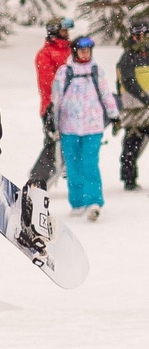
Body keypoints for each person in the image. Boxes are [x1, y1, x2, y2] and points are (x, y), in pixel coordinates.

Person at [50, 32, 117, 215]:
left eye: (88, 50)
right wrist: (53, 124)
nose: (85, 53)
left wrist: (114, 115)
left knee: (90, 163)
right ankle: (77, 202)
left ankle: (94, 201)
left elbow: (106, 94)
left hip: (93, 127)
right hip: (69, 127)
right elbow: (56, 100)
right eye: (82, 50)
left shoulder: (96, 71)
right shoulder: (64, 72)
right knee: (73, 166)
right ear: (75, 52)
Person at [29, 18, 73, 189]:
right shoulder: (45, 54)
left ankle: (68, 169)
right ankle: (37, 180)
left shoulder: (71, 50)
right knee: (52, 144)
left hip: (74, 106)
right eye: (63, 30)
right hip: (52, 107)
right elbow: (49, 82)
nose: (67, 33)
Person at [118, 18, 149, 190]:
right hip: (134, 109)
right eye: (139, 34)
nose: (142, 38)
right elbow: (129, 82)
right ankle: (129, 179)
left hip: (146, 106)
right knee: (132, 144)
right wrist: (145, 97)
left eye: (145, 34)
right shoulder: (128, 56)